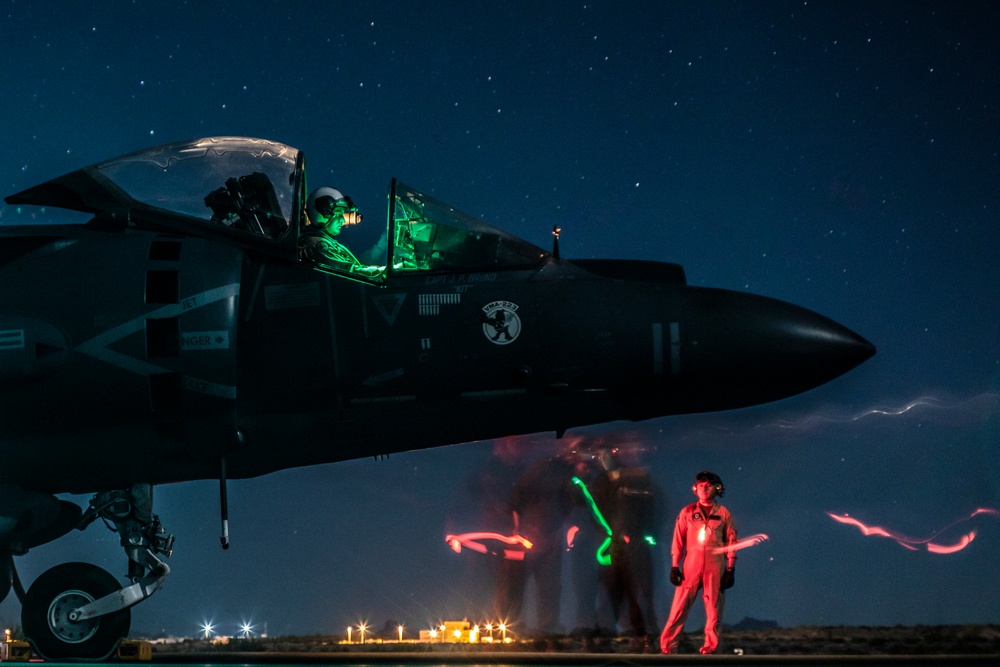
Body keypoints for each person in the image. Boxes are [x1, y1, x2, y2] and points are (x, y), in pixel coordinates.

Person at [659, 471, 737, 655]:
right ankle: (668, 648)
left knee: (714, 610)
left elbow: (732, 542)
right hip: (691, 564)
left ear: (717, 488)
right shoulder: (687, 512)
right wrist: (674, 566)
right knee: (679, 607)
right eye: (701, 485)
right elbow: (678, 541)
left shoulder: (724, 514)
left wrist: (731, 569)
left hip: (715, 565)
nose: (704, 488)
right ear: (695, 488)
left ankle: (711, 649)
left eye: (708, 485)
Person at [298, 187, 381, 276]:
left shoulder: (324, 241)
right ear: (322, 214)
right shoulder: (316, 244)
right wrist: (383, 272)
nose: (343, 220)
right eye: (338, 214)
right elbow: (349, 273)